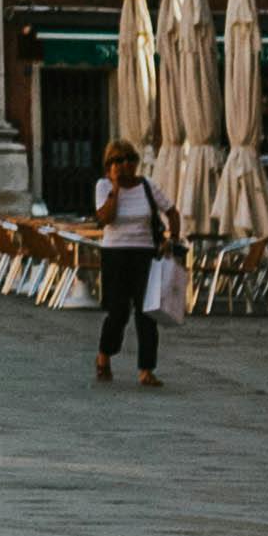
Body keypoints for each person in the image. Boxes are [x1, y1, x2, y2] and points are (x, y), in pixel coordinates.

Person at [91, 144, 171, 389]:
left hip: (145, 254)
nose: (126, 164)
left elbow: (171, 211)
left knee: (147, 313)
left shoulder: (147, 186)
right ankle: (104, 356)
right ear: (110, 165)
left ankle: (146, 369)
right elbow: (105, 219)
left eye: (130, 158)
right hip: (115, 253)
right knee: (118, 312)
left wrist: (172, 239)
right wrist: (115, 187)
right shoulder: (103, 187)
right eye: (119, 160)